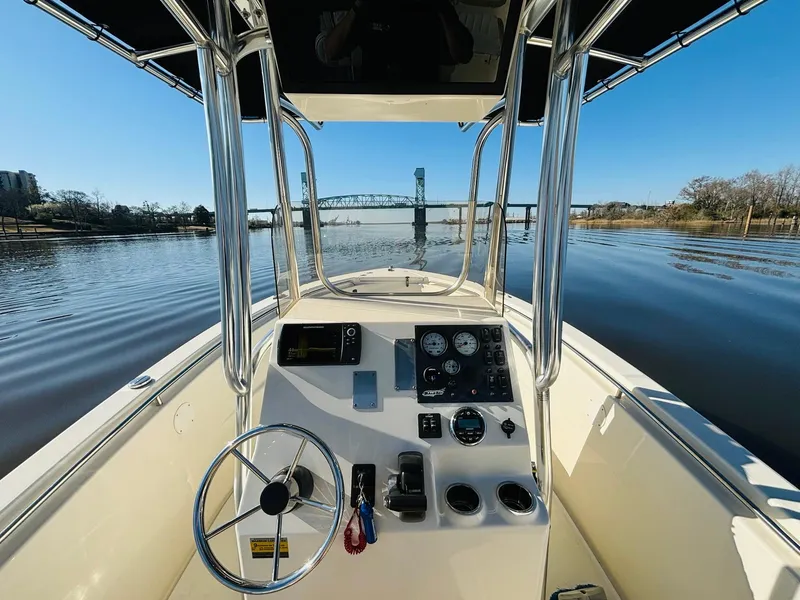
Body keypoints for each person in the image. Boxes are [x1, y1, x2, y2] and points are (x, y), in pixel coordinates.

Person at [315, 0, 474, 82]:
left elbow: (463, 54)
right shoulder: (370, 8)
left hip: (422, 101)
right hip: (372, 100)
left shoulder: (432, 11)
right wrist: (358, 6)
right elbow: (330, 52)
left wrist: (442, 6)